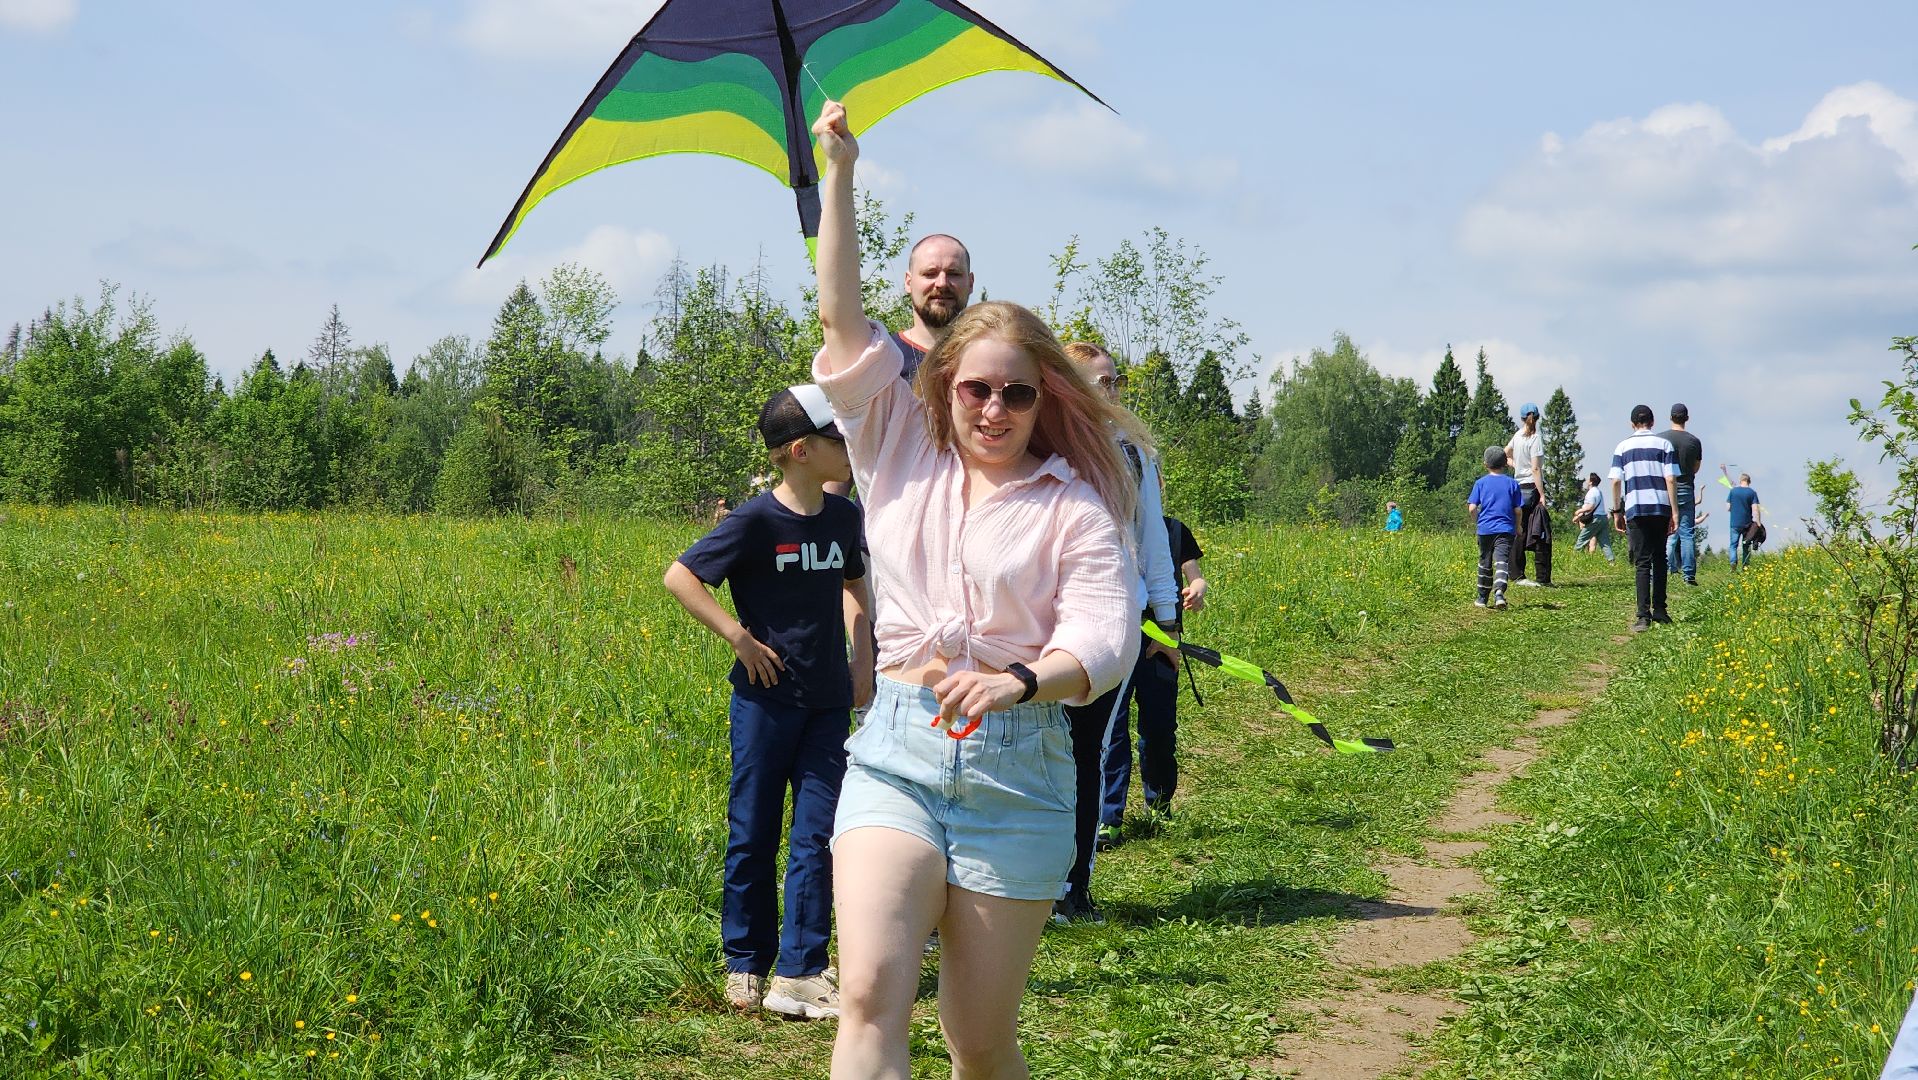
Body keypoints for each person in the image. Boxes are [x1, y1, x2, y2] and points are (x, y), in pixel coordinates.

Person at [810, 99, 1144, 1080]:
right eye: (975, 388)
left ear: (1046, 400)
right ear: (943, 384)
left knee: (978, 1039)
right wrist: (839, 173)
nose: (994, 408)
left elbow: (1106, 638)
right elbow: (839, 317)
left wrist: (1025, 679)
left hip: (1019, 774)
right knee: (869, 996)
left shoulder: (1074, 504)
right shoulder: (892, 444)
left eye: (1017, 392)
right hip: (898, 753)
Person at [663, 385, 874, 1020]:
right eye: (839, 439)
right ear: (802, 451)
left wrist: (862, 660)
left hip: (828, 704)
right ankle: (743, 962)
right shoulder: (755, 521)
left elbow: (857, 589)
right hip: (764, 704)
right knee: (752, 830)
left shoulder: (844, 518)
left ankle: (802, 970)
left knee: (819, 835)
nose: (849, 448)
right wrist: (738, 637)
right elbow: (681, 576)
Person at [1054, 341, 1181, 927]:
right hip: (1040, 622)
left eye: (1114, 381)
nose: (1109, 392)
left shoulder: (1133, 452)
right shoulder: (1042, 442)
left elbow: (1152, 539)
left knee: (1086, 753)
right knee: (1037, 754)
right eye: (1096, 381)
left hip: (1112, 623)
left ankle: (1072, 888)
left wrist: (1167, 622)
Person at [1098, 512, 1206, 842]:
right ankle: (1108, 817)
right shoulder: (1104, 523)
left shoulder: (1173, 529)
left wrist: (1197, 589)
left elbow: (1195, 575)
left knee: (1159, 730)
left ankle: (1159, 805)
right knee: (1112, 732)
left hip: (1163, 644)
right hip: (1113, 642)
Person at [1609, 405, 1680, 632]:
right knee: (1660, 558)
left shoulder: (1622, 447)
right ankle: (1660, 609)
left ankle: (1642, 616)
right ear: (1652, 422)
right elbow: (1670, 479)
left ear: (1632, 424)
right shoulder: (1664, 445)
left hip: (1636, 507)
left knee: (1642, 562)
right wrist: (1675, 511)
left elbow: (1615, 481)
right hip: (1660, 506)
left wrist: (1617, 510)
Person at [1468, 446, 1523, 610]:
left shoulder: (1480, 483)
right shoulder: (1512, 484)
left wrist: (1478, 522)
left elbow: (1472, 508)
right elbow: (1518, 510)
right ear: (1505, 463)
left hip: (1485, 529)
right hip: (1506, 530)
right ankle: (1499, 593)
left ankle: (1482, 598)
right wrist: (1518, 526)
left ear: (1485, 464)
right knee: (1501, 562)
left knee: (1485, 562)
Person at [1506, 403, 1552, 586]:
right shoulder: (1536, 438)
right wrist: (1541, 494)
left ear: (1522, 418)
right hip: (1532, 487)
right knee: (1540, 529)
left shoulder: (1517, 436)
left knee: (1519, 529)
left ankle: (1516, 573)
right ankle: (1543, 577)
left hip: (1518, 486)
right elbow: (1535, 468)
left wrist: (1516, 465)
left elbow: (1505, 453)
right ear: (1537, 418)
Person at [1658, 404, 1704, 585]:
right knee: (1687, 533)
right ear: (1687, 418)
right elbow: (1696, 468)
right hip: (1686, 487)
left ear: (1670, 417)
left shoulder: (1661, 439)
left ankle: (1661, 569)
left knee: (1662, 532)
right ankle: (1689, 575)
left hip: (1664, 489)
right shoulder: (1694, 441)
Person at [1725, 469, 1763, 571]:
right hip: (1747, 524)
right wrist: (1758, 522)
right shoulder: (1752, 493)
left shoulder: (1733, 491)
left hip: (1734, 523)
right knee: (1746, 545)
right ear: (1749, 481)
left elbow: (1728, 507)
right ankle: (1745, 566)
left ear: (1740, 480)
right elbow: (1755, 509)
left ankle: (1733, 562)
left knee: (1733, 545)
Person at [1572, 472, 1614, 562]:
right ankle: (1611, 561)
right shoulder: (1599, 491)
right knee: (1605, 542)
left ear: (1591, 482)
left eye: (1588, 479)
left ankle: (1574, 560)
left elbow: (1590, 506)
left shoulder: (1591, 492)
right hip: (1603, 518)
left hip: (1595, 519)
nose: (1586, 481)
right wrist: (1579, 516)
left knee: (1582, 539)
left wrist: (1579, 511)